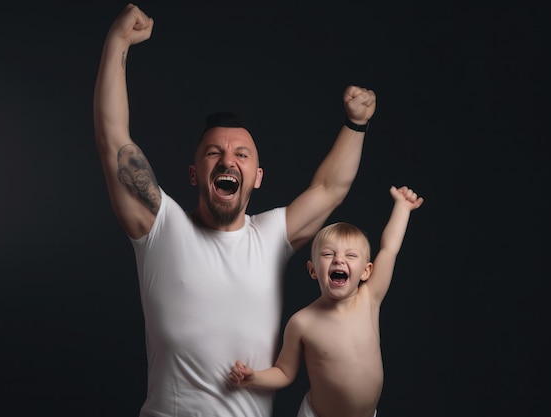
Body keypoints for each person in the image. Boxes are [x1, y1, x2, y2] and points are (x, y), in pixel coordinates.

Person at [93, 3, 376, 416]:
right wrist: (117, 42)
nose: (228, 161)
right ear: (194, 173)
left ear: (257, 176)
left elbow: (330, 188)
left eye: (241, 154)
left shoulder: (270, 236)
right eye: (215, 153)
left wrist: (356, 124)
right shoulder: (162, 228)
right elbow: (112, 139)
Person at [228, 185, 424, 417]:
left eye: (350, 256)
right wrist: (255, 377)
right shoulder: (303, 322)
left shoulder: (369, 298)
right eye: (328, 254)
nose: (339, 261)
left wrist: (402, 208)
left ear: (366, 271)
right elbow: (284, 371)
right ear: (313, 270)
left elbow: (389, 249)